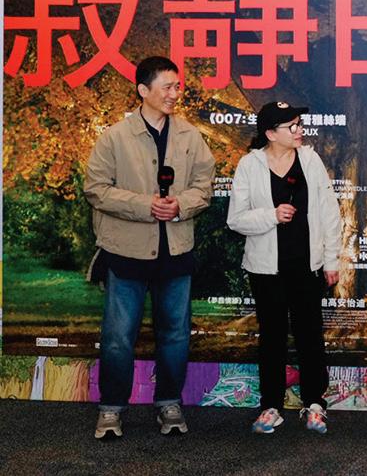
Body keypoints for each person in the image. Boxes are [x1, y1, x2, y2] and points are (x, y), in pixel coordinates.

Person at [84, 56, 215, 439]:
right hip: (126, 254)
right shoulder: (115, 137)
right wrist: (145, 206)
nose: (175, 93)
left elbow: (204, 187)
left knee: (175, 334)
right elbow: (96, 189)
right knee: (117, 337)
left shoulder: (191, 137)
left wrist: (181, 205)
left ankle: (169, 403)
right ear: (143, 90)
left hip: (176, 253)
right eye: (167, 86)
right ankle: (111, 409)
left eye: (177, 86)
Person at [227, 101, 341, 435]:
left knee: (310, 335)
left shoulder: (310, 160)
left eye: (299, 123)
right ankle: (271, 406)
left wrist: (331, 259)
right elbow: (236, 219)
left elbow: (330, 211)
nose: (299, 130)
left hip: (307, 265)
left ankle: (315, 404)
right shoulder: (249, 165)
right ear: (270, 133)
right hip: (266, 269)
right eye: (291, 126)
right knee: (272, 337)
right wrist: (271, 215)